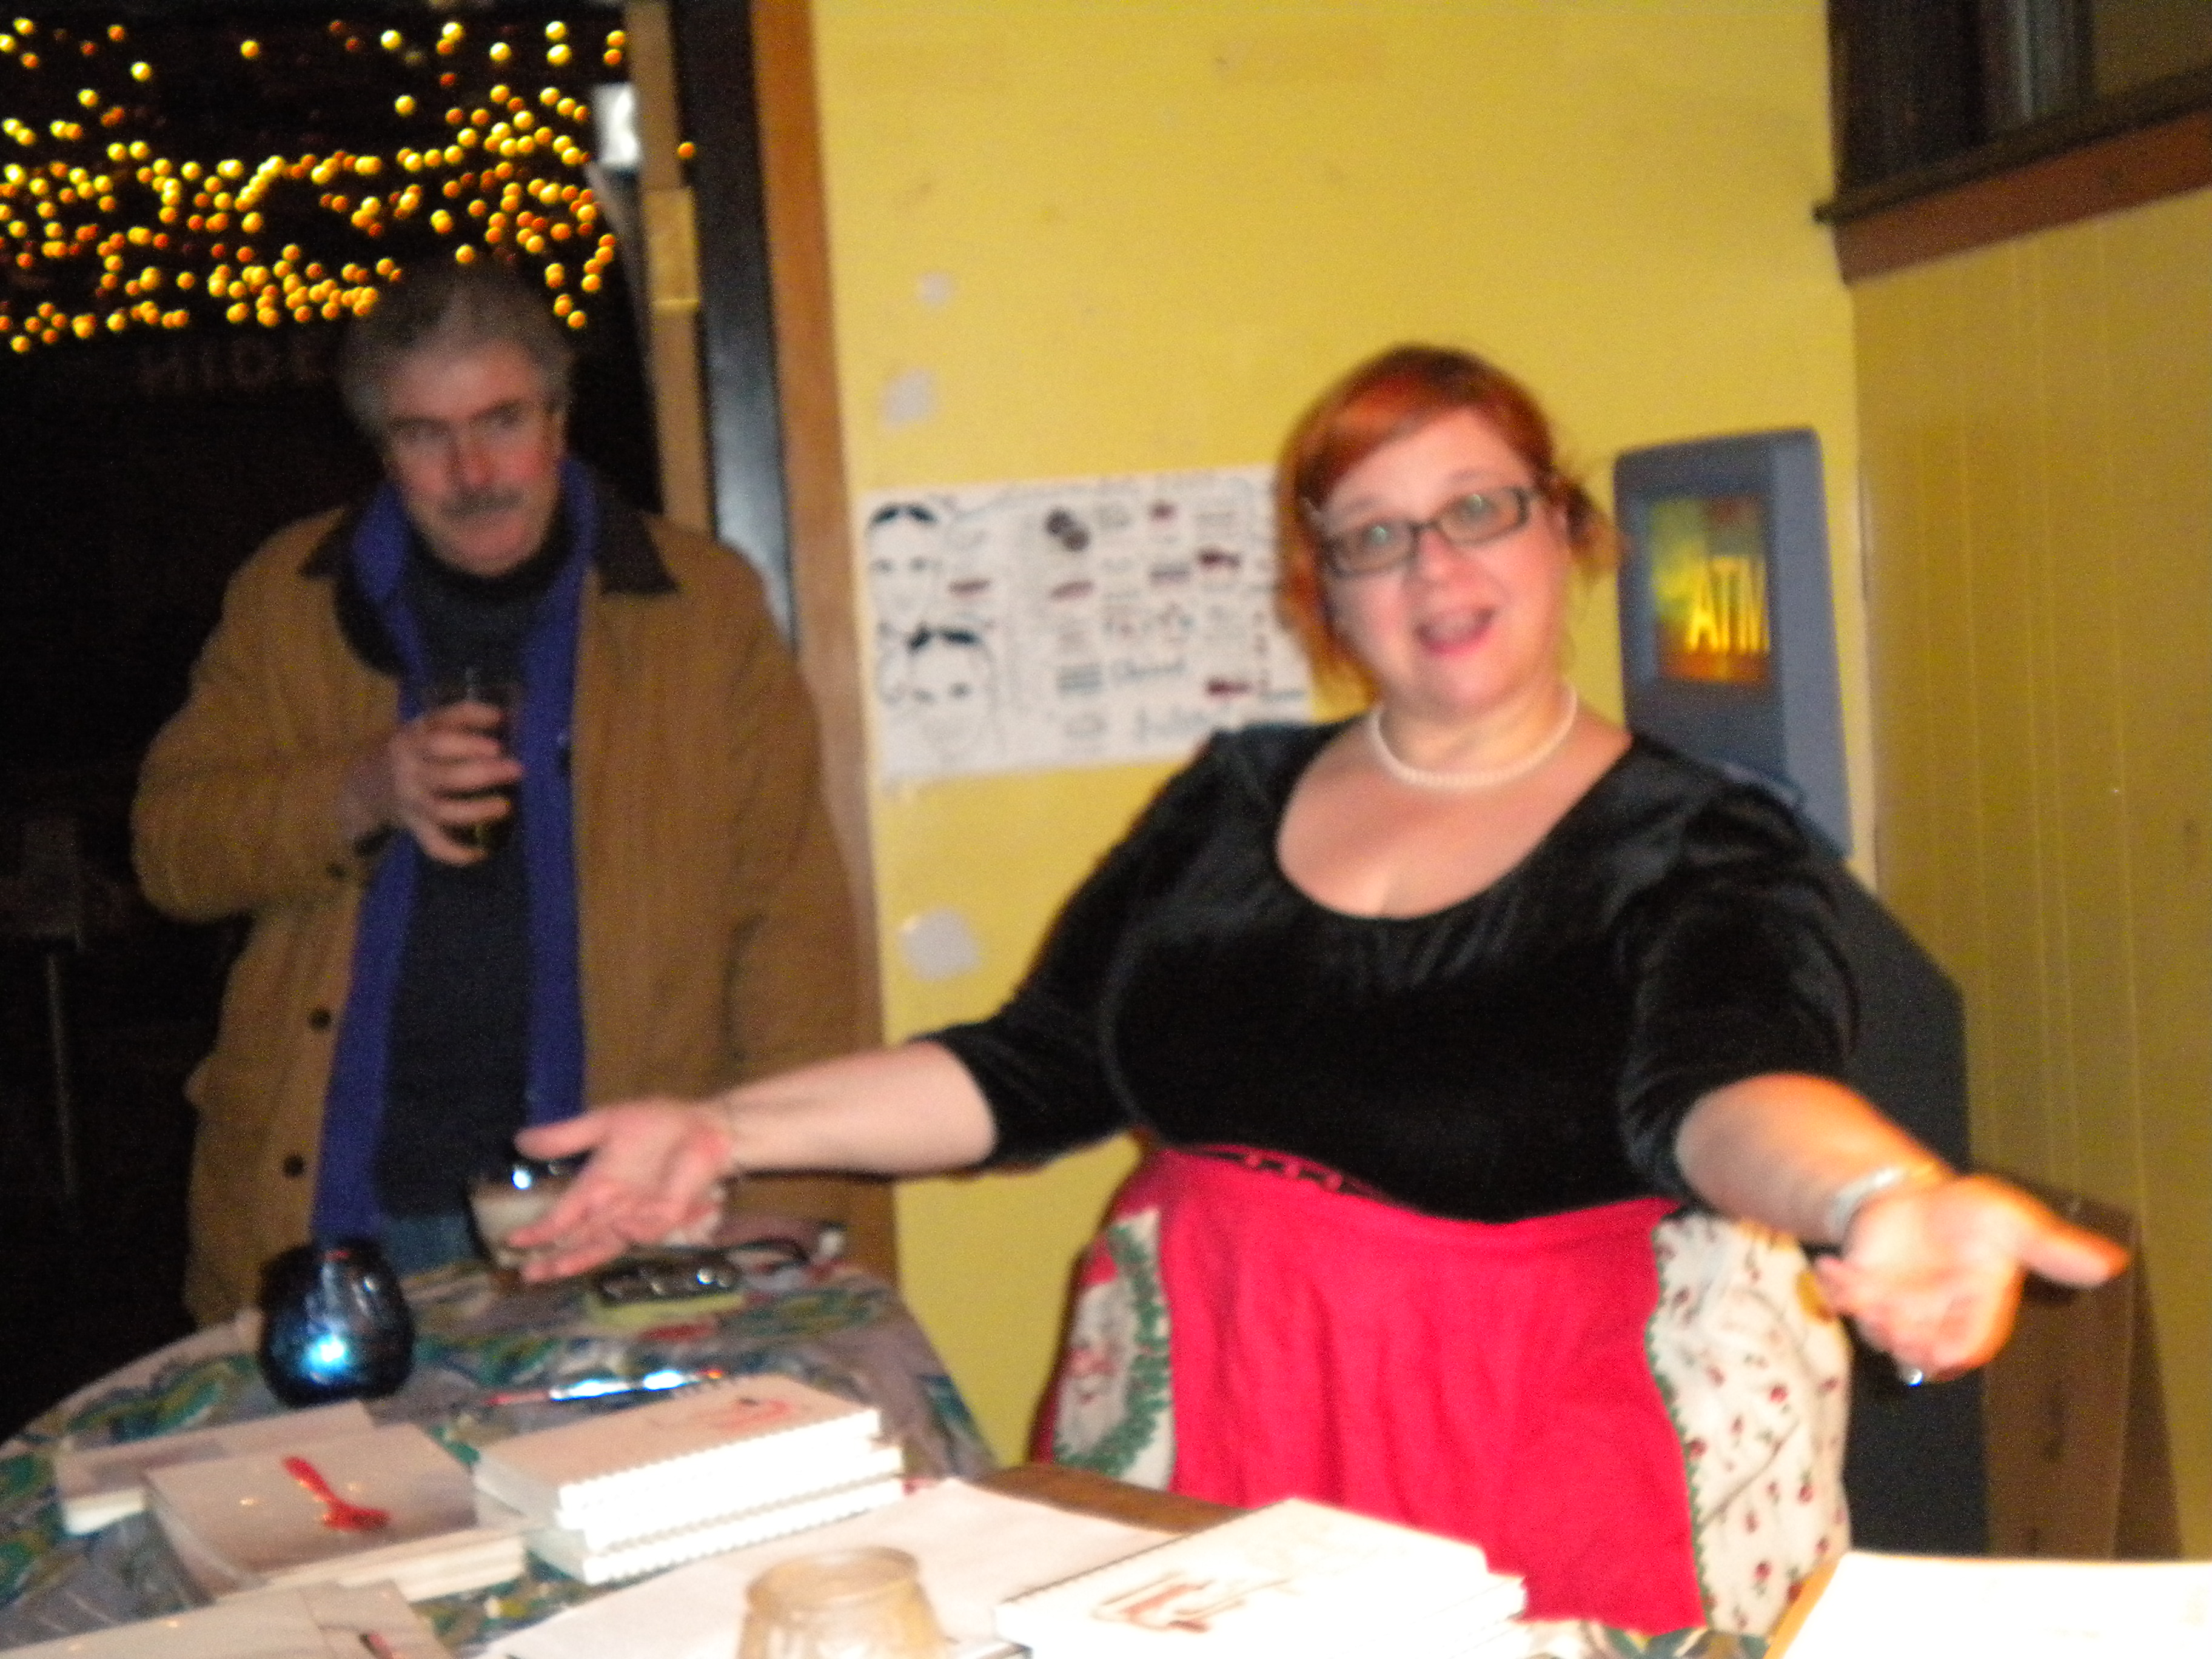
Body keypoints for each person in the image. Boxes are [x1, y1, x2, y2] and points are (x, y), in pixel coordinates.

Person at [505, 346, 2125, 1634]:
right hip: (1208, 1410)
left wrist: (1879, 1195)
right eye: (1375, 535)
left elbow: (1726, 1089)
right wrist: (722, 1129)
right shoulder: (1232, 798)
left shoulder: (1694, 839)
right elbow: (1029, 1068)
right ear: (1325, 591)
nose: (1435, 565)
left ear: (1564, 529)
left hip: (1523, 1446)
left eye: (1479, 508)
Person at [132, 258, 865, 1324]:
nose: (473, 471)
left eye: (503, 421)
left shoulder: (701, 607)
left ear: (558, 422)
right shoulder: (289, 598)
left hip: (621, 1199)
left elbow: (791, 920)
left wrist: (788, 1194)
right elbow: (170, 853)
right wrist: (358, 791)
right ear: (384, 452)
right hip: (346, 1200)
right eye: (426, 435)